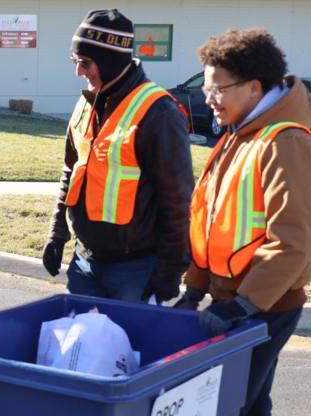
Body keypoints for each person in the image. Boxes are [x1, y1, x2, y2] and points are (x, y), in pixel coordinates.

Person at [173, 28, 311, 416]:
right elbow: (213, 222)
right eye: (207, 88)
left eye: (217, 88)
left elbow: (293, 242)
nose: (209, 98)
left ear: (254, 88)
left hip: (265, 305)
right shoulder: (240, 135)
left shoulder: (285, 143)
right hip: (236, 301)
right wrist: (195, 287)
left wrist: (245, 305)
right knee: (250, 413)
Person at [42, 9, 194, 305]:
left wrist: (170, 272)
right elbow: (70, 173)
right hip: (84, 264)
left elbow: (178, 202)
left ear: (111, 61)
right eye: (75, 61)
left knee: (132, 352)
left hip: (135, 271)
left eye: (85, 63)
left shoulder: (159, 114)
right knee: (82, 350)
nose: (78, 72)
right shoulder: (85, 103)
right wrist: (57, 234)